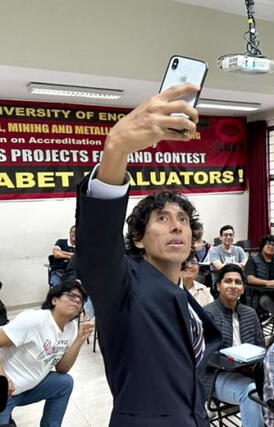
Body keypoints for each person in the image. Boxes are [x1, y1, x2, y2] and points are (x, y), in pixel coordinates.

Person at [75, 83, 222, 427]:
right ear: (138, 239)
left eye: (183, 220)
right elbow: (98, 244)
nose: (176, 227)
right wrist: (116, 149)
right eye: (163, 219)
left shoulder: (186, 296)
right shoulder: (123, 284)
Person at [0, 280, 94, 426]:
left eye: (81, 300)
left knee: (64, 383)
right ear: (54, 299)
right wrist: (1, 379)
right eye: (71, 295)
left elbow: (62, 369)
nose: (77, 300)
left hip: (24, 387)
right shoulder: (35, 320)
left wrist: (80, 339)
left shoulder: (71, 328)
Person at [203, 264, 264, 427]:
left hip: (249, 372)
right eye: (227, 281)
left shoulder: (250, 313)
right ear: (218, 286)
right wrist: (235, 359)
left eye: (238, 282)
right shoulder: (207, 314)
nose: (233, 286)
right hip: (216, 376)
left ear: (243, 289)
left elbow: (261, 347)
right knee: (251, 392)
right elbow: (204, 355)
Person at [244, 234, 274, 323]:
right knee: (266, 300)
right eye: (268, 244)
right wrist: (267, 283)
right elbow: (250, 279)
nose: (271, 246)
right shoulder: (253, 259)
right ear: (263, 246)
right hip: (259, 295)